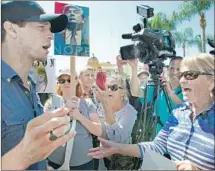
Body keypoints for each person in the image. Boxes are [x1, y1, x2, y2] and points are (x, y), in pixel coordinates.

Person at [88, 53, 215, 170]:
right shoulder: (178, 113)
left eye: (190, 75)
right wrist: (118, 148)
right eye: (182, 75)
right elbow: (156, 147)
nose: (182, 80)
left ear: (211, 82)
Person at [1, 1, 69, 170]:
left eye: (50, 29)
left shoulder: (30, 86)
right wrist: (23, 157)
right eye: (41, 27)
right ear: (12, 29)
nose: (51, 35)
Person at [44, 70, 102, 170]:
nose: (66, 83)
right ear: (59, 83)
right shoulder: (51, 103)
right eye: (62, 80)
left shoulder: (87, 103)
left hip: (83, 161)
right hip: (56, 160)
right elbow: (45, 131)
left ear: (76, 82)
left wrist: (80, 117)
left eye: (69, 80)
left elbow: (98, 131)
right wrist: (65, 111)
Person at [93, 74, 137, 169]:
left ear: (122, 92)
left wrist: (106, 107)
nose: (109, 90)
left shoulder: (130, 112)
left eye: (113, 87)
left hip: (120, 161)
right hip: (103, 156)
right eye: (106, 87)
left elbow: (118, 140)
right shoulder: (100, 105)